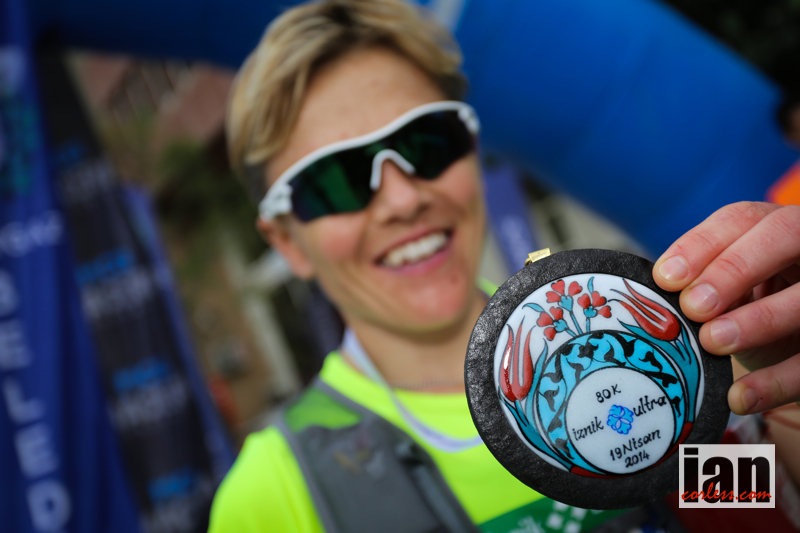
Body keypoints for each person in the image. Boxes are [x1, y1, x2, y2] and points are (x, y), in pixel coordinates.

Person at [209, 1, 800, 531]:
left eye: (428, 142)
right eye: (335, 180)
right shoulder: (275, 496)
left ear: (471, 152)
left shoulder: (645, 337)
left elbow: (751, 516)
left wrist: (792, 412)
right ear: (287, 242)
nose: (403, 199)